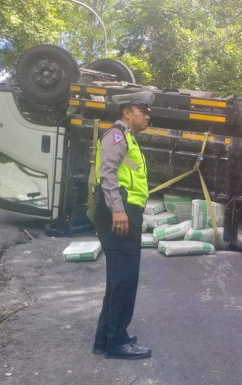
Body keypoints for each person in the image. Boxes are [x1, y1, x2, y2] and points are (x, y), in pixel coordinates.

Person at [92, 91, 154, 359]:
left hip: (126, 210)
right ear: (127, 112)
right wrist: (118, 209)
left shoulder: (127, 139)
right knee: (125, 279)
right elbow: (107, 172)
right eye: (143, 111)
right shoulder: (117, 136)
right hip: (121, 212)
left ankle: (105, 339)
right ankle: (117, 342)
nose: (147, 116)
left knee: (118, 278)